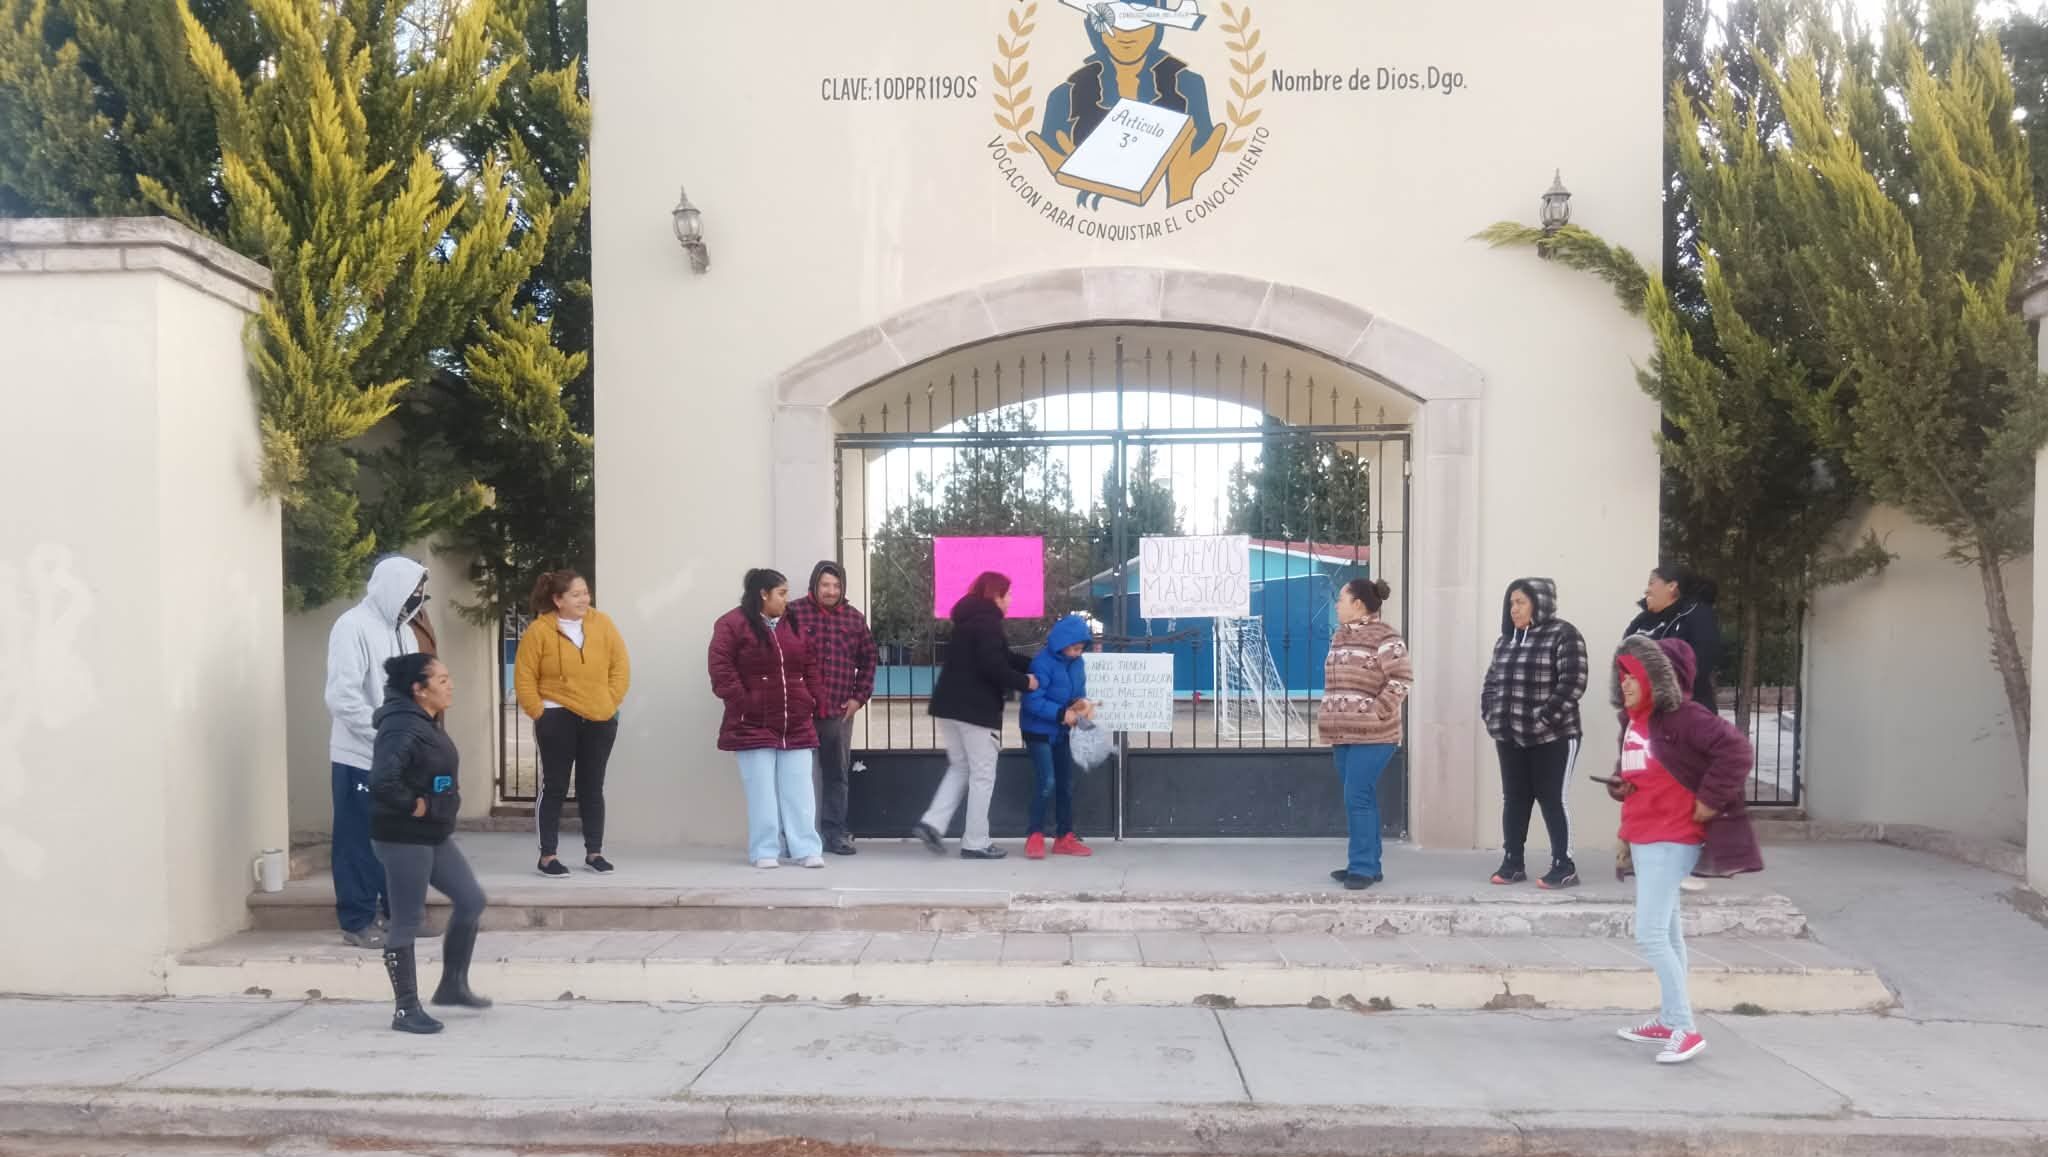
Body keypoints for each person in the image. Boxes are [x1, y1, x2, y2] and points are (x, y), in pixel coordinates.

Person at [1606, 635, 1763, 1065]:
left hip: (1672, 836)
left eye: (1632, 676)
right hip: (1643, 833)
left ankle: (1687, 1030)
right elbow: (1643, 772)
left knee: (1650, 934)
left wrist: (1709, 799)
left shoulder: (1687, 718)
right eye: (1621, 676)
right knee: (1669, 933)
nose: (1625, 684)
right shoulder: (1634, 721)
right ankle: (1671, 1019)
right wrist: (1623, 789)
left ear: (1655, 678)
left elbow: (1736, 751)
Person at [369, 652, 489, 1035]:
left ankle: (453, 985)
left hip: (433, 834)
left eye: (448, 677)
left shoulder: (425, 721)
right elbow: (382, 781)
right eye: (441, 680)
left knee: (471, 899)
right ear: (418, 690)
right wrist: (415, 805)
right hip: (404, 837)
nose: (450, 684)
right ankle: (405, 1009)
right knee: (407, 920)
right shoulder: (402, 727)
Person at [323, 554, 431, 949]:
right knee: (358, 842)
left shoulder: (403, 632)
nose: (415, 600)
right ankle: (357, 920)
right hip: (359, 757)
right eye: (411, 592)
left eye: (419, 594)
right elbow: (342, 696)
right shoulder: (351, 627)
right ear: (391, 588)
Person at [515, 569, 631, 878]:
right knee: (554, 785)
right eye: (576, 594)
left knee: (592, 787)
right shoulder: (539, 631)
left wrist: (610, 702)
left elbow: (620, 665)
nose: (584, 599)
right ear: (558, 599)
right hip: (556, 716)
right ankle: (548, 856)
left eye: (586, 592)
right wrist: (539, 711)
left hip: (599, 716)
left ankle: (595, 852)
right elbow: (525, 676)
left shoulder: (602, 624)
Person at [914, 572, 1037, 860]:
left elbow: (1002, 657)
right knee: (982, 775)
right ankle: (976, 842)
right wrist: (1026, 682)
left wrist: (1036, 663)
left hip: (948, 707)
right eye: (1008, 594)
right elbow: (993, 666)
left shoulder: (968, 620)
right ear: (996, 595)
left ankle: (932, 823)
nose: (1011, 599)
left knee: (960, 767)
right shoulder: (989, 623)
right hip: (976, 712)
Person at [708, 569, 826, 870]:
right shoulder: (731, 624)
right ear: (763, 593)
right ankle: (764, 850)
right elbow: (721, 669)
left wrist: (815, 699)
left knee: (800, 788)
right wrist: (744, 702)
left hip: (796, 721)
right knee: (761, 791)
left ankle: (806, 848)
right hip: (752, 723)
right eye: (782, 593)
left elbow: (809, 664)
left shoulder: (794, 624)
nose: (787, 600)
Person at [1481, 578, 1590, 889]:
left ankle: (1563, 865)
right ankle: (1513, 862)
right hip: (1509, 736)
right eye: (1511, 603)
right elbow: (1491, 684)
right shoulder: (1506, 641)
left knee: (1553, 798)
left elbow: (1574, 682)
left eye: (1521, 602)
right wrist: (1492, 716)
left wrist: (1545, 718)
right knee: (1514, 799)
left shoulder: (1564, 634)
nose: (1514, 609)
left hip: (1553, 736)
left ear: (1539, 603)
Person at [1320, 578, 1413, 891]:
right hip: (1343, 733)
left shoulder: (1385, 636)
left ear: (1358, 603)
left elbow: (1401, 678)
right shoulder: (1340, 636)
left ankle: (1362, 866)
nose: (1337, 604)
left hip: (1374, 734)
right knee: (1359, 797)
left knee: (1357, 795)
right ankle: (1367, 864)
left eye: (1342, 598)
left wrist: (1378, 711)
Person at [790, 561, 878, 857]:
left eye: (836, 586)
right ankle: (795, 836)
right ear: (815, 585)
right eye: (825, 585)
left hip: (838, 711)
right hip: (798, 711)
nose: (831, 591)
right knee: (794, 774)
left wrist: (858, 698)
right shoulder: (794, 613)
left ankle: (834, 833)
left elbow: (869, 660)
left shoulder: (854, 619)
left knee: (836, 775)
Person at [1019, 614, 1096, 860]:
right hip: (1038, 731)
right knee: (1047, 782)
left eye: (1081, 649)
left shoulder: (1078, 663)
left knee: (1065, 784)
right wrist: (1062, 713)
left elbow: (1079, 691)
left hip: (1062, 729)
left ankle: (1064, 837)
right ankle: (1035, 835)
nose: (1077, 653)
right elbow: (1032, 701)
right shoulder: (1042, 663)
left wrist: (1082, 705)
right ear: (1061, 643)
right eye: (1074, 648)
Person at [1625, 565, 1721, 710]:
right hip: (1646, 712)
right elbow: (1624, 659)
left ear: (1671, 586)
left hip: (1686, 714)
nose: (1647, 590)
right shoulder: (1642, 620)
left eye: (1652, 583)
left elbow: (1700, 665)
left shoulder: (1696, 615)